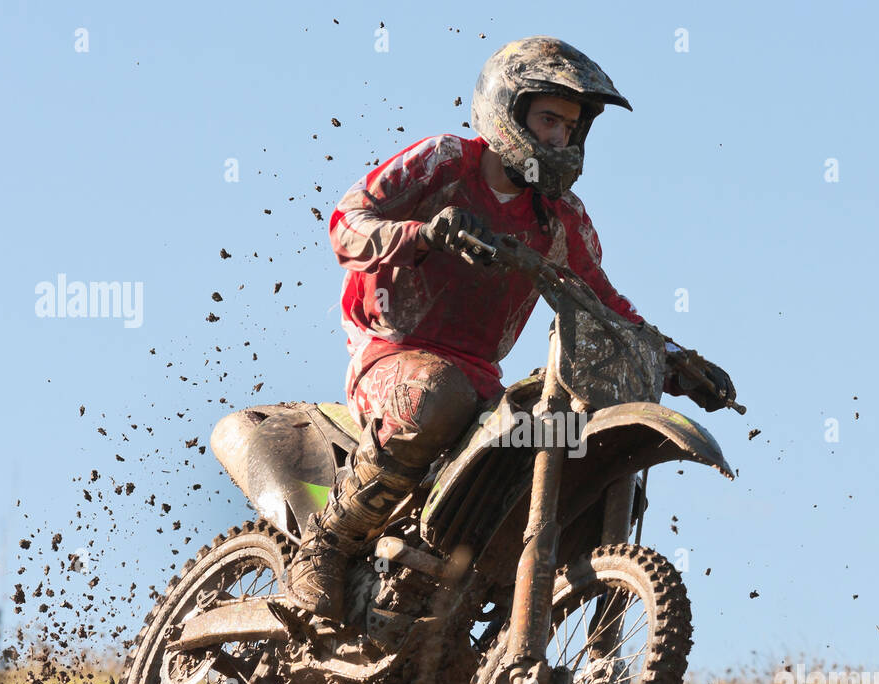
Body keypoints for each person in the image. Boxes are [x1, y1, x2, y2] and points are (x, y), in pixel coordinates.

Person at [287, 35, 734, 619]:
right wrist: (419, 234)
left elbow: (601, 300)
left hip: (480, 376)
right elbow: (347, 222)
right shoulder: (446, 162)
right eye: (548, 119)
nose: (559, 138)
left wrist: (674, 356)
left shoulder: (559, 218)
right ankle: (324, 543)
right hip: (394, 350)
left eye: (570, 127)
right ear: (508, 109)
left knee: (553, 441)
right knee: (434, 394)